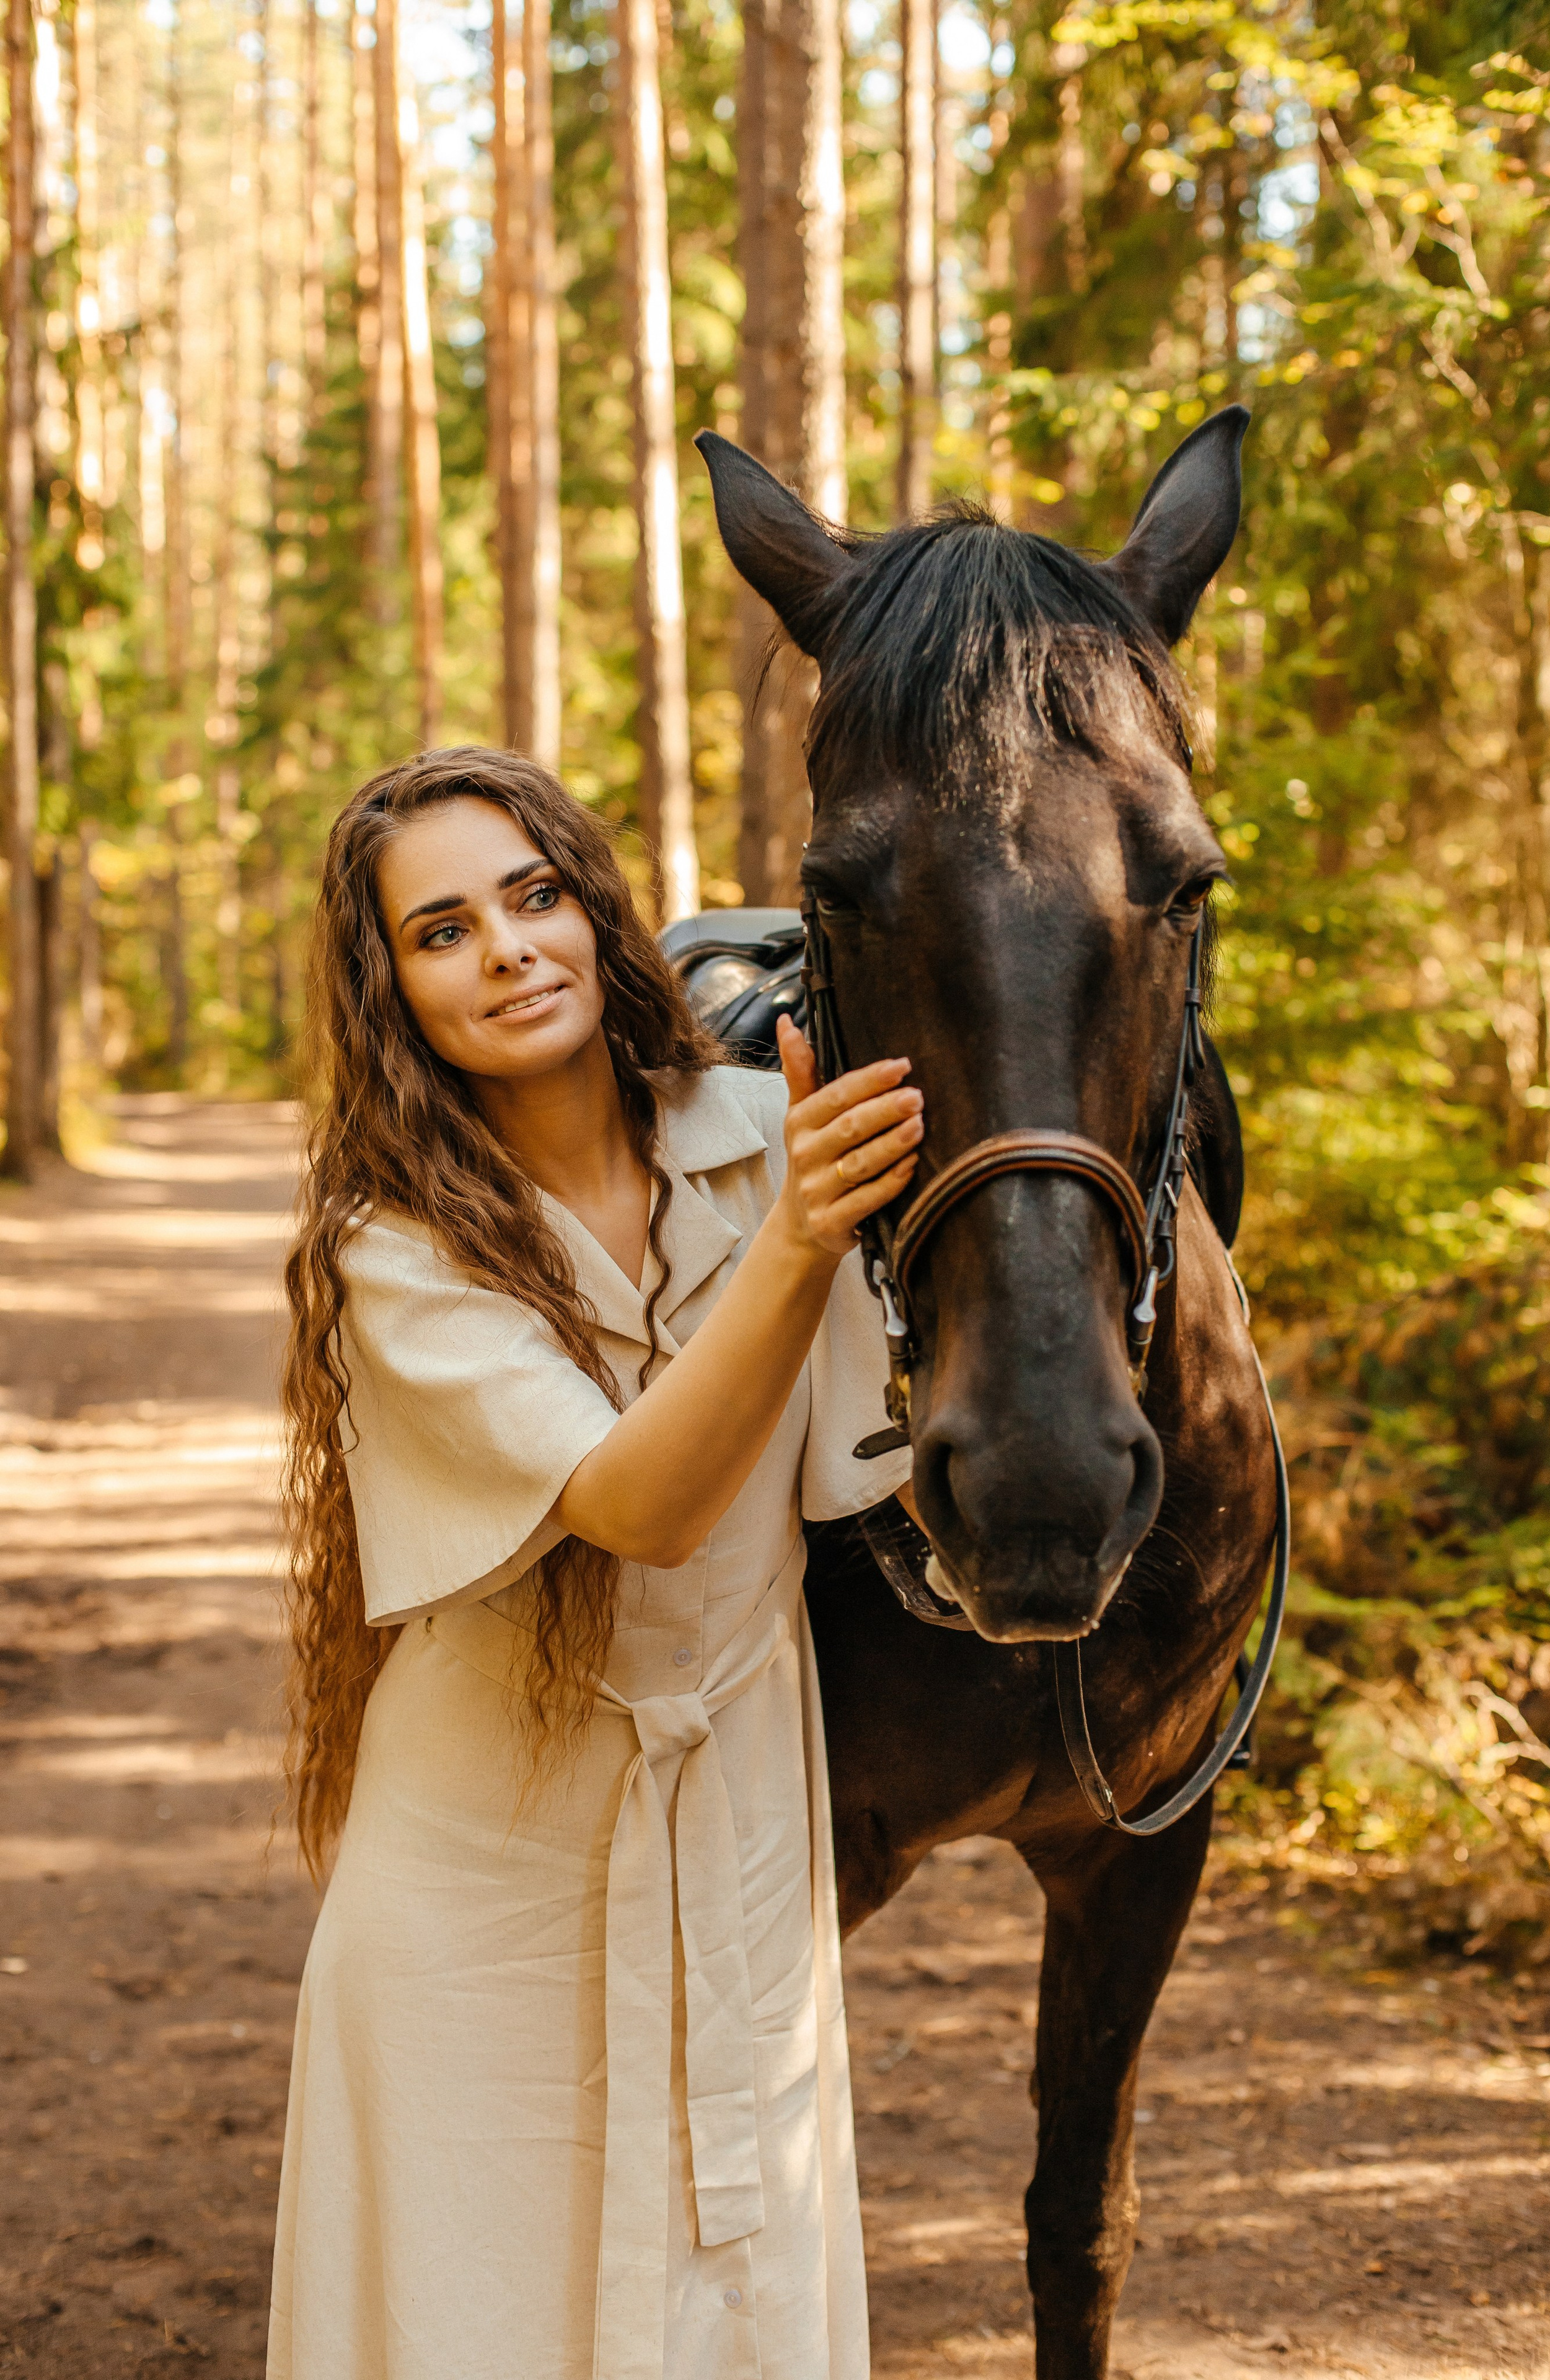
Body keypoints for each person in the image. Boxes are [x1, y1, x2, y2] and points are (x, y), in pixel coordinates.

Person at [268, 747, 923, 2380]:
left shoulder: (783, 1135)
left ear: (595, 904)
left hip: (740, 1832)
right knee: (472, 2321)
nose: (506, 950)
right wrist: (796, 1240)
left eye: (534, 894)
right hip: (475, 1898)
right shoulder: (394, 1249)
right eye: (441, 931)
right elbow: (643, 1503)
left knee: (739, 2308)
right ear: (391, 991)